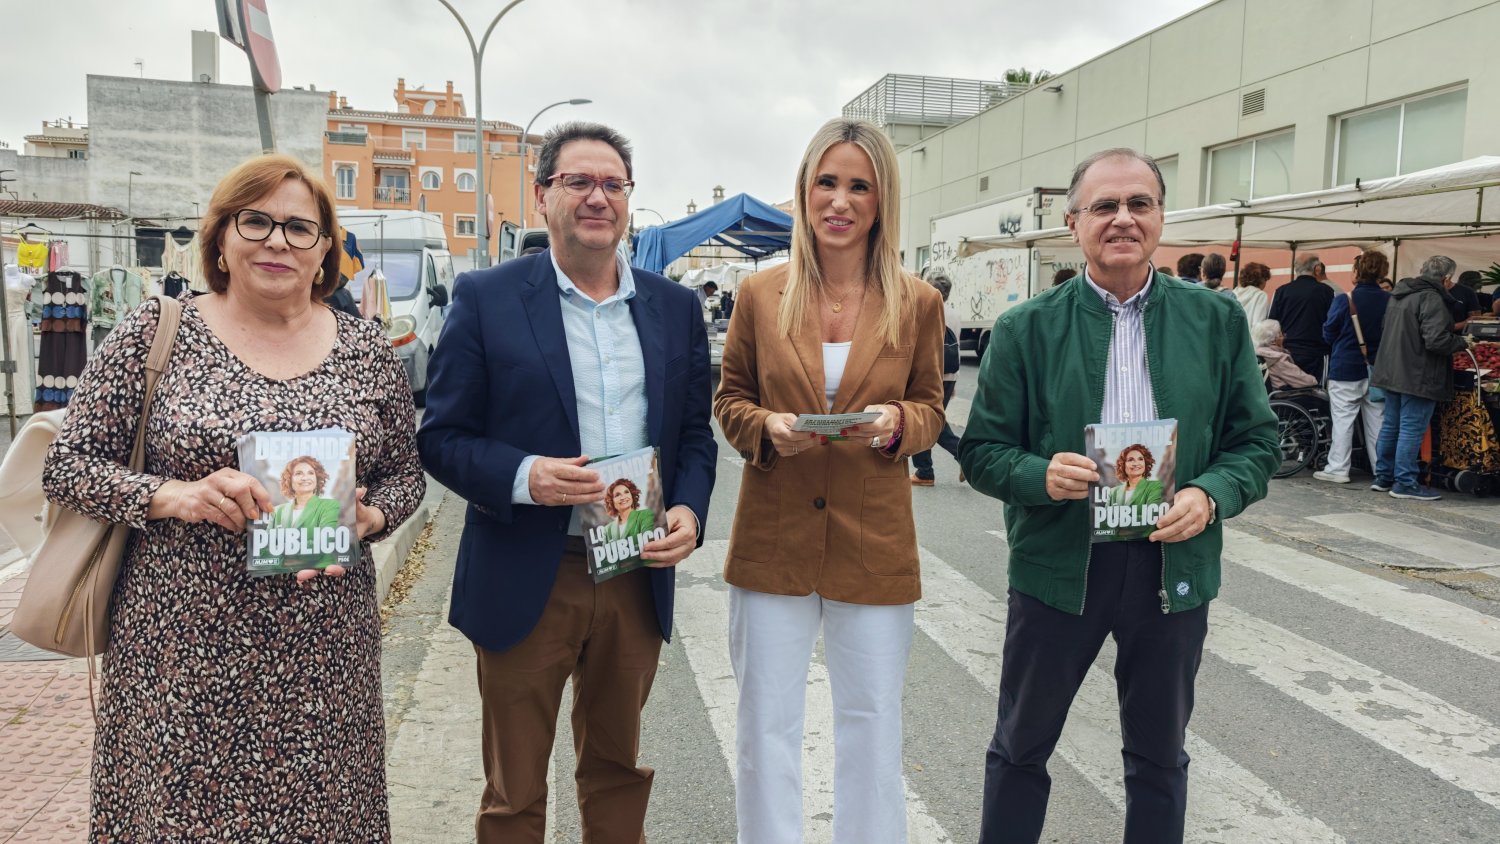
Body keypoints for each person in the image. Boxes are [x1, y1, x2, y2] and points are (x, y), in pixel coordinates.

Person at [41, 153, 425, 840]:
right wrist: (175, 495)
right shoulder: (155, 332)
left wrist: (370, 516)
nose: (277, 241)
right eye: (257, 221)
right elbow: (66, 466)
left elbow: (406, 475)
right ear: (221, 237)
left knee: (324, 820)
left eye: (299, 229)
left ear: (324, 252)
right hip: (180, 655)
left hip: (325, 662)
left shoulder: (366, 348)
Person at [958, 147, 1278, 844]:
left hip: (1172, 564)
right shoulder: (1026, 329)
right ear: (1074, 223)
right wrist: (1038, 475)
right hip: (1059, 567)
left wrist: (1211, 493)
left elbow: (1258, 442)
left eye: (1139, 203)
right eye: (1104, 206)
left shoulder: (1217, 323)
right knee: (1020, 749)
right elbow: (981, 452)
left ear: (1162, 218)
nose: (1123, 219)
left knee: (1159, 757)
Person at [417, 121, 716, 843]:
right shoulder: (487, 297)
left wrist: (687, 509)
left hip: (633, 570)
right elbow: (442, 436)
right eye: (578, 181)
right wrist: (524, 476)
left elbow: (693, 436)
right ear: (544, 193)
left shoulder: (674, 309)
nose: (597, 198)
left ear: (629, 202)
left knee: (617, 772)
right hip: (529, 569)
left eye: (613, 184)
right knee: (515, 790)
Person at [713, 117, 945, 844]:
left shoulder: (917, 302)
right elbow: (730, 399)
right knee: (765, 728)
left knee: (872, 728)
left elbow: (934, 408)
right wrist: (766, 429)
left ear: (881, 201)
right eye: (827, 182)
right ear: (805, 190)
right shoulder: (759, 293)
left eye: (858, 186)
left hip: (872, 540)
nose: (839, 201)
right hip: (774, 534)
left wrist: (899, 422)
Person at [1369, 256, 1475, 501]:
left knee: (1391, 426)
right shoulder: (1432, 298)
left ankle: (1383, 477)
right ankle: (1404, 482)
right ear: (1447, 279)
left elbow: (1388, 328)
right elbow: (1436, 339)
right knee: (1410, 429)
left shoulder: (1400, 294)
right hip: (1418, 374)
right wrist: (1462, 342)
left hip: (1392, 370)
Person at [1313, 249, 1391, 484]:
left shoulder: (1345, 299)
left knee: (1343, 421)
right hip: (1377, 368)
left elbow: (1328, 332)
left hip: (1346, 367)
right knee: (1377, 422)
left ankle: (1338, 468)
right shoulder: (1391, 300)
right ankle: (1382, 470)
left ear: (1357, 271)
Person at [912, 267, 963, 486]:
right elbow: (955, 346)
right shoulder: (954, 313)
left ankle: (927, 470)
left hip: (930, 373)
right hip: (950, 375)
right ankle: (926, 470)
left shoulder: (927, 308)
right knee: (932, 420)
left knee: (927, 420)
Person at [267, 454, 343, 568]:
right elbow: (265, 549)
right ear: (289, 480)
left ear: (317, 479)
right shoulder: (277, 511)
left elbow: (323, 545)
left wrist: (281, 549)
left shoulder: (330, 506)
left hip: (321, 574)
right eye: (298, 473)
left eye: (310, 473)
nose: (305, 477)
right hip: (279, 576)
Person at [1268, 253, 1336, 380]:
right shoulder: (1327, 291)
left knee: (1288, 394)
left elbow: (1272, 324)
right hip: (1317, 353)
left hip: (1287, 352)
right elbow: (1333, 323)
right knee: (1316, 393)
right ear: (1317, 268)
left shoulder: (1281, 291)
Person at [1253, 318, 1319, 390]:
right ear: (1273, 341)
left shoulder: (1256, 354)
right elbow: (1306, 382)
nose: (1284, 337)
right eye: (1281, 335)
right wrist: (1314, 380)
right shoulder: (1277, 359)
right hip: (1285, 396)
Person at [601, 477, 656, 541]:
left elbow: (648, 541)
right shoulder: (607, 530)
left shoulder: (645, 515)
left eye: (626, 492)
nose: (623, 497)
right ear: (611, 501)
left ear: (632, 495)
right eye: (617, 495)